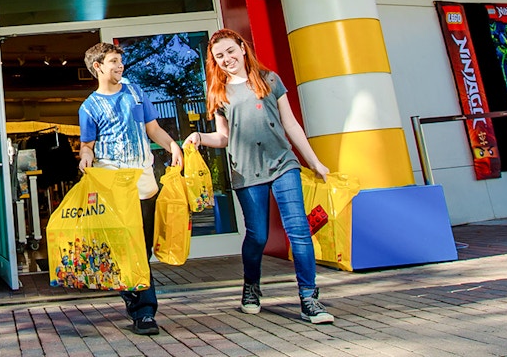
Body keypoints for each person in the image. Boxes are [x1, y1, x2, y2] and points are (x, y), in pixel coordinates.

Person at [183, 28, 335, 325]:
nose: (226, 59)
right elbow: (224, 137)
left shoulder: (269, 80)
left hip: (283, 164)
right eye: (219, 56)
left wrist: (314, 161)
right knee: (258, 236)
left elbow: (290, 124)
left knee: (299, 230)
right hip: (246, 171)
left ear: (242, 48)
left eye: (230, 51)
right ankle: (251, 286)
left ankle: (309, 297)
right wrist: (199, 137)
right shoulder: (218, 92)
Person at [78, 42, 183, 336]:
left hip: (145, 180)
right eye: (113, 61)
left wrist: (172, 146)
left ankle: (133, 295)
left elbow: (153, 129)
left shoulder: (136, 93)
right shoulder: (89, 107)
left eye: (120, 61)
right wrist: (85, 158)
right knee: (129, 246)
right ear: (98, 66)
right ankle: (144, 311)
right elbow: (87, 145)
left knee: (143, 246)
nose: (120, 65)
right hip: (113, 184)